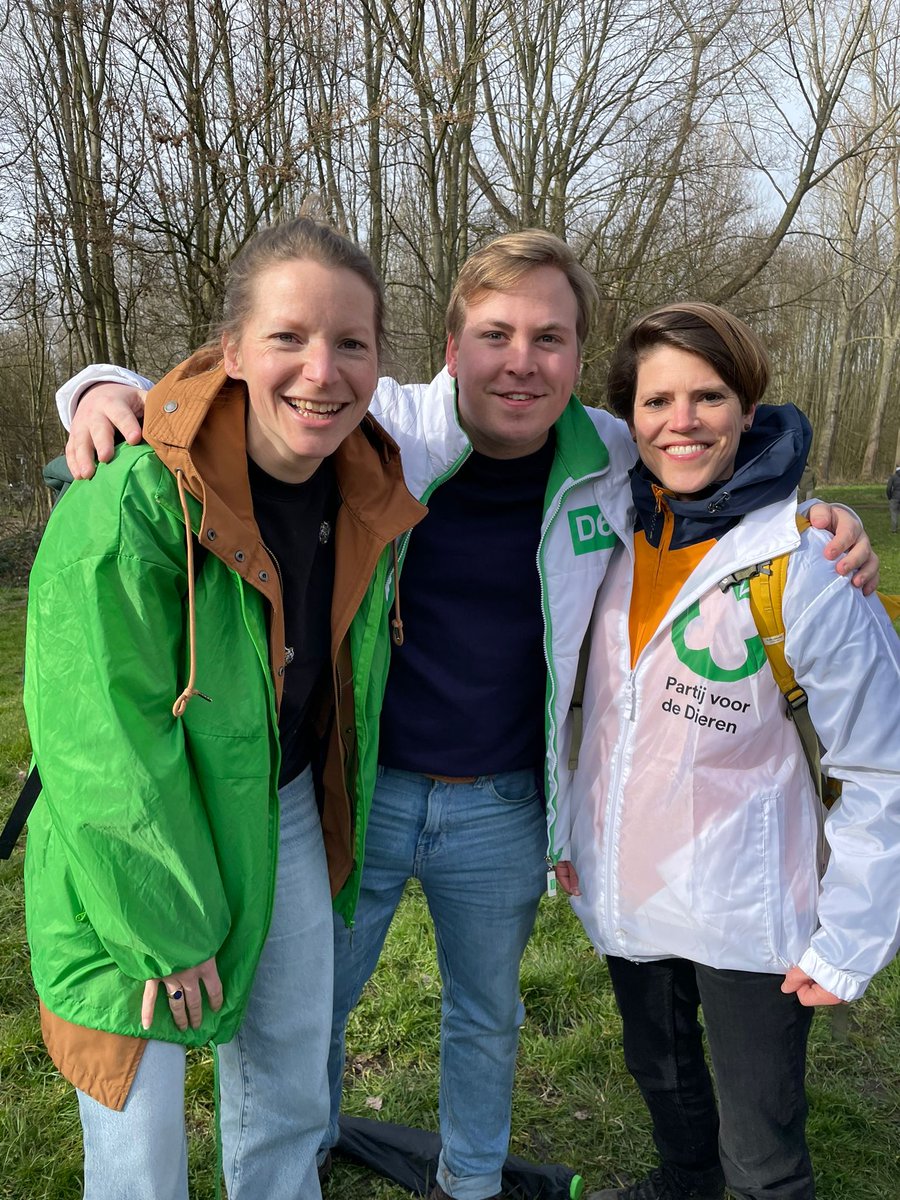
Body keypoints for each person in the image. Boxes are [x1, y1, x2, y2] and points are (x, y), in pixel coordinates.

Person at [56, 235, 878, 1200]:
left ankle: (472, 1181)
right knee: (309, 1005)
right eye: (495, 334)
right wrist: (102, 388)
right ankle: (301, 1149)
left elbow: (721, 453)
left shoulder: (611, 456)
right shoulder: (387, 424)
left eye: (550, 337)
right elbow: (250, 390)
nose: (520, 361)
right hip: (360, 789)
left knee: (486, 1013)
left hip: (503, 802)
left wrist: (819, 516)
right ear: (451, 347)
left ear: (579, 360)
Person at [23, 216, 423, 1200]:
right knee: (139, 1141)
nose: (321, 371)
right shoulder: (132, 498)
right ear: (232, 350)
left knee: (289, 1082)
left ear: (380, 361)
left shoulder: (371, 483)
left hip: (277, 806)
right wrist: (166, 921)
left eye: (352, 343)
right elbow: (95, 735)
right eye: (289, 338)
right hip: (124, 842)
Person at [554, 302, 900, 1200]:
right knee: (661, 1079)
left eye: (708, 397)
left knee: (764, 1152)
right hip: (632, 884)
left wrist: (852, 941)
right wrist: (569, 829)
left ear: (749, 409)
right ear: (627, 417)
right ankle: (683, 1182)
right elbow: (582, 705)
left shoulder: (808, 560)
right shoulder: (609, 537)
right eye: (656, 400)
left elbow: (881, 764)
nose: (682, 422)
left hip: (749, 909)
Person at [888, 464, 900, 533]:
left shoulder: (893, 477)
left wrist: (890, 496)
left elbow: (889, 488)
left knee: (894, 513)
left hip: (894, 497)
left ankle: (894, 529)